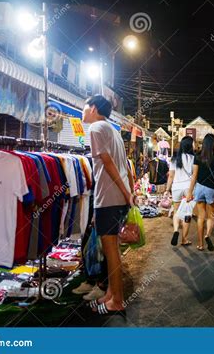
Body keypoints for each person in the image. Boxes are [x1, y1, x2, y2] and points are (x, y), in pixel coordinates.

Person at [82, 94, 135, 315]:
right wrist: (129, 193)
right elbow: (125, 165)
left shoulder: (95, 129)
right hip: (116, 198)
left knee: (111, 250)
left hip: (109, 197)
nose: (82, 111)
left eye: (84, 107)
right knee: (111, 249)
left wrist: (125, 192)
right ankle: (111, 295)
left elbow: (108, 163)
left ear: (93, 108)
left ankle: (118, 300)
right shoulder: (113, 130)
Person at [187, 134, 214, 251]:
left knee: (200, 217)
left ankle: (200, 244)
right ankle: (207, 235)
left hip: (199, 187)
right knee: (210, 216)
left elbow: (194, 176)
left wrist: (189, 192)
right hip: (211, 188)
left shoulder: (198, 155)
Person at [165, 136, 195, 246]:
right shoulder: (193, 158)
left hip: (176, 187)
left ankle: (176, 230)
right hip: (188, 188)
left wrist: (167, 189)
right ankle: (184, 239)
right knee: (187, 213)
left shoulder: (174, 159)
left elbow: (171, 176)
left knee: (177, 211)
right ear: (190, 145)